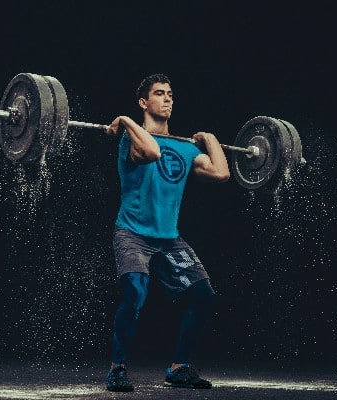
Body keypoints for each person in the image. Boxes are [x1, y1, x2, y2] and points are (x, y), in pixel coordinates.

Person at [104, 74, 230, 392]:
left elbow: (221, 173)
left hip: (169, 238)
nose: (168, 98)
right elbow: (152, 152)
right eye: (159, 93)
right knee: (135, 292)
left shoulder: (185, 149)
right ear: (143, 102)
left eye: (170, 94)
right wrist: (126, 121)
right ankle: (117, 368)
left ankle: (179, 367)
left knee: (203, 296)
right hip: (132, 233)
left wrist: (210, 138)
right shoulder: (130, 140)